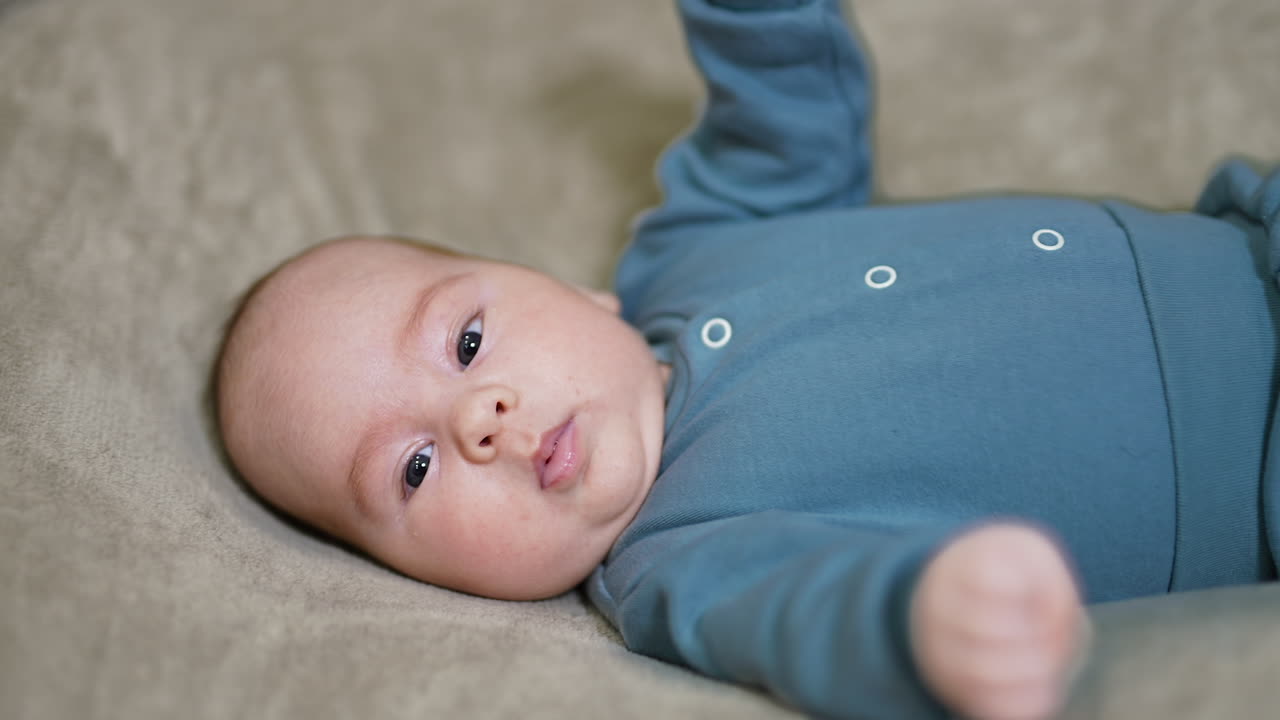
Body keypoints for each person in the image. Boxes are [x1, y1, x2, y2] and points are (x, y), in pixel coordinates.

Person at [214, 0, 1280, 718]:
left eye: (466, 342)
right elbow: (808, 610)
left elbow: (785, 130)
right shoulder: (675, 565)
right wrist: (924, 614)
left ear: (566, 289)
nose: (478, 417)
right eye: (410, 470)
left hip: (1246, 240)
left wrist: (755, 18)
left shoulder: (685, 254)